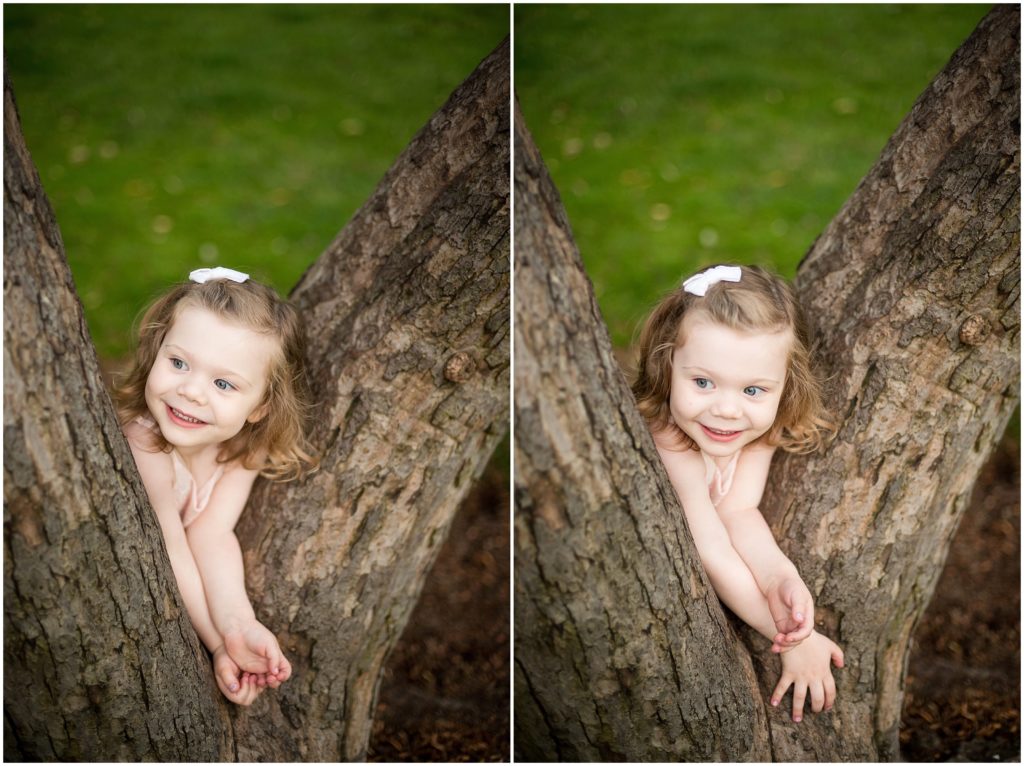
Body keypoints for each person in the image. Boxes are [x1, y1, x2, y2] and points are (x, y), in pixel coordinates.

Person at [632, 263, 844, 724]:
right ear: (667, 364)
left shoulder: (759, 432)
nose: (726, 409)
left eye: (752, 389)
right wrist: (793, 638)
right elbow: (711, 549)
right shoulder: (672, 440)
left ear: (785, 386)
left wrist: (778, 578)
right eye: (703, 382)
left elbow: (738, 511)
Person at [115, 266, 317, 705]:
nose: (190, 391)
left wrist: (238, 625)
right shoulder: (145, 443)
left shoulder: (244, 451)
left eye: (223, 383)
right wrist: (218, 643)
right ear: (156, 351)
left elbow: (210, 535)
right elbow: (170, 543)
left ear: (260, 407)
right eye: (178, 362)